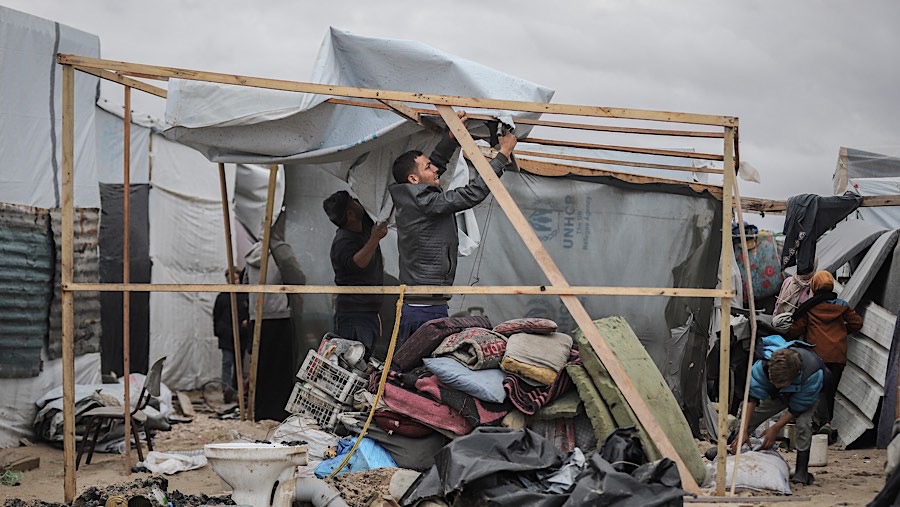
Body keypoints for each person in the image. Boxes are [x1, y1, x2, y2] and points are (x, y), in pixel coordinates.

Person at [388, 112, 517, 344]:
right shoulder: (425, 201)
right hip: (424, 307)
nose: (435, 170)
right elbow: (471, 194)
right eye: (427, 167)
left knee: (418, 368)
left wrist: (451, 138)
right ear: (414, 179)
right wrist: (502, 155)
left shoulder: (416, 197)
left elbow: (437, 165)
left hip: (426, 303)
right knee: (420, 371)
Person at [733, 336, 830, 485]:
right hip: (777, 395)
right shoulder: (763, 367)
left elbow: (798, 407)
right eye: (774, 381)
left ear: (795, 375)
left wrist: (776, 427)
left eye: (781, 383)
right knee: (752, 416)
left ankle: (801, 471)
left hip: (804, 393)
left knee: (804, 425)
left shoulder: (812, 373)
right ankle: (731, 448)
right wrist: (744, 429)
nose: (777, 385)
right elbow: (752, 397)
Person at [786, 270, 863, 437]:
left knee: (817, 389)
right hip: (838, 355)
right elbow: (857, 323)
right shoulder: (842, 305)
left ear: (815, 286)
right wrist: (842, 332)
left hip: (816, 356)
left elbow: (795, 329)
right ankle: (826, 422)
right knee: (831, 390)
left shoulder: (809, 307)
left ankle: (820, 423)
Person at [322, 191, 388, 356]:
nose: (359, 201)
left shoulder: (363, 224)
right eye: (353, 201)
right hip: (354, 316)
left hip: (369, 313)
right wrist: (375, 239)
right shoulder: (343, 241)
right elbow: (357, 263)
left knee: (364, 361)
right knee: (355, 363)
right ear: (350, 214)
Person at [213, 268, 249, 401]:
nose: (234, 281)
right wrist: (218, 332)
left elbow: (249, 312)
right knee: (227, 362)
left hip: (241, 335)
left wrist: (247, 323)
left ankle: (235, 389)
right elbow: (216, 316)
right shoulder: (222, 296)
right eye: (231, 279)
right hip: (227, 335)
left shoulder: (244, 296)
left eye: (236, 279)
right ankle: (226, 389)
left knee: (238, 364)